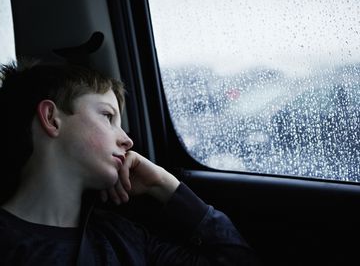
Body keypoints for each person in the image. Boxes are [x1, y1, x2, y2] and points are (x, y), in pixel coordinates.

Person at [0, 60, 261, 265]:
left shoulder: (122, 239)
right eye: (107, 116)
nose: (127, 140)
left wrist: (164, 184)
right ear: (52, 118)